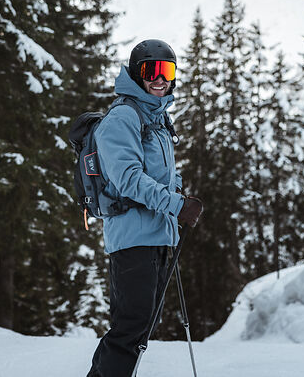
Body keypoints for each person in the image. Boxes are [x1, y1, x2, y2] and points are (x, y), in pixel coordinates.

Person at [87, 39, 204, 377]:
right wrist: (176, 204)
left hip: (157, 235)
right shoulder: (122, 117)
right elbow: (128, 180)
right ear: (137, 74)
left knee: (140, 327)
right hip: (132, 236)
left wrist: (177, 191)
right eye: (151, 70)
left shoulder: (158, 118)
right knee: (130, 328)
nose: (160, 78)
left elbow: (166, 173)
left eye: (167, 70)